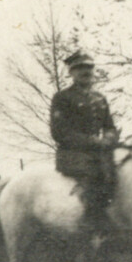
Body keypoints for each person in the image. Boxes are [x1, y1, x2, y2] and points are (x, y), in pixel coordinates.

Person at [50, 50, 119, 233]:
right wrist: (93, 142)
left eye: (89, 68)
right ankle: (91, 223)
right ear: (71, 73)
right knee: (95, 175)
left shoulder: (100, 98)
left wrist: (109, 138)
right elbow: (59, 132)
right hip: (73, 154)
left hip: (99, 152)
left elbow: (110, 126)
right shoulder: (62, 98)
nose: (85, 72)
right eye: (79, 68)